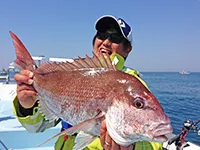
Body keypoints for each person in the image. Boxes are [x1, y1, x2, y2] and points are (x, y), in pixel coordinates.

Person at [13, 15, 163, 150]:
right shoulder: (72, 74)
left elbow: (153, 142)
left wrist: (131, 146)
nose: (106, 42)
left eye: (115, 39)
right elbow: (36, 127)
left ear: (127, 49)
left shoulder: (132, 85)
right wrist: (27, 106)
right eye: (102, 35)